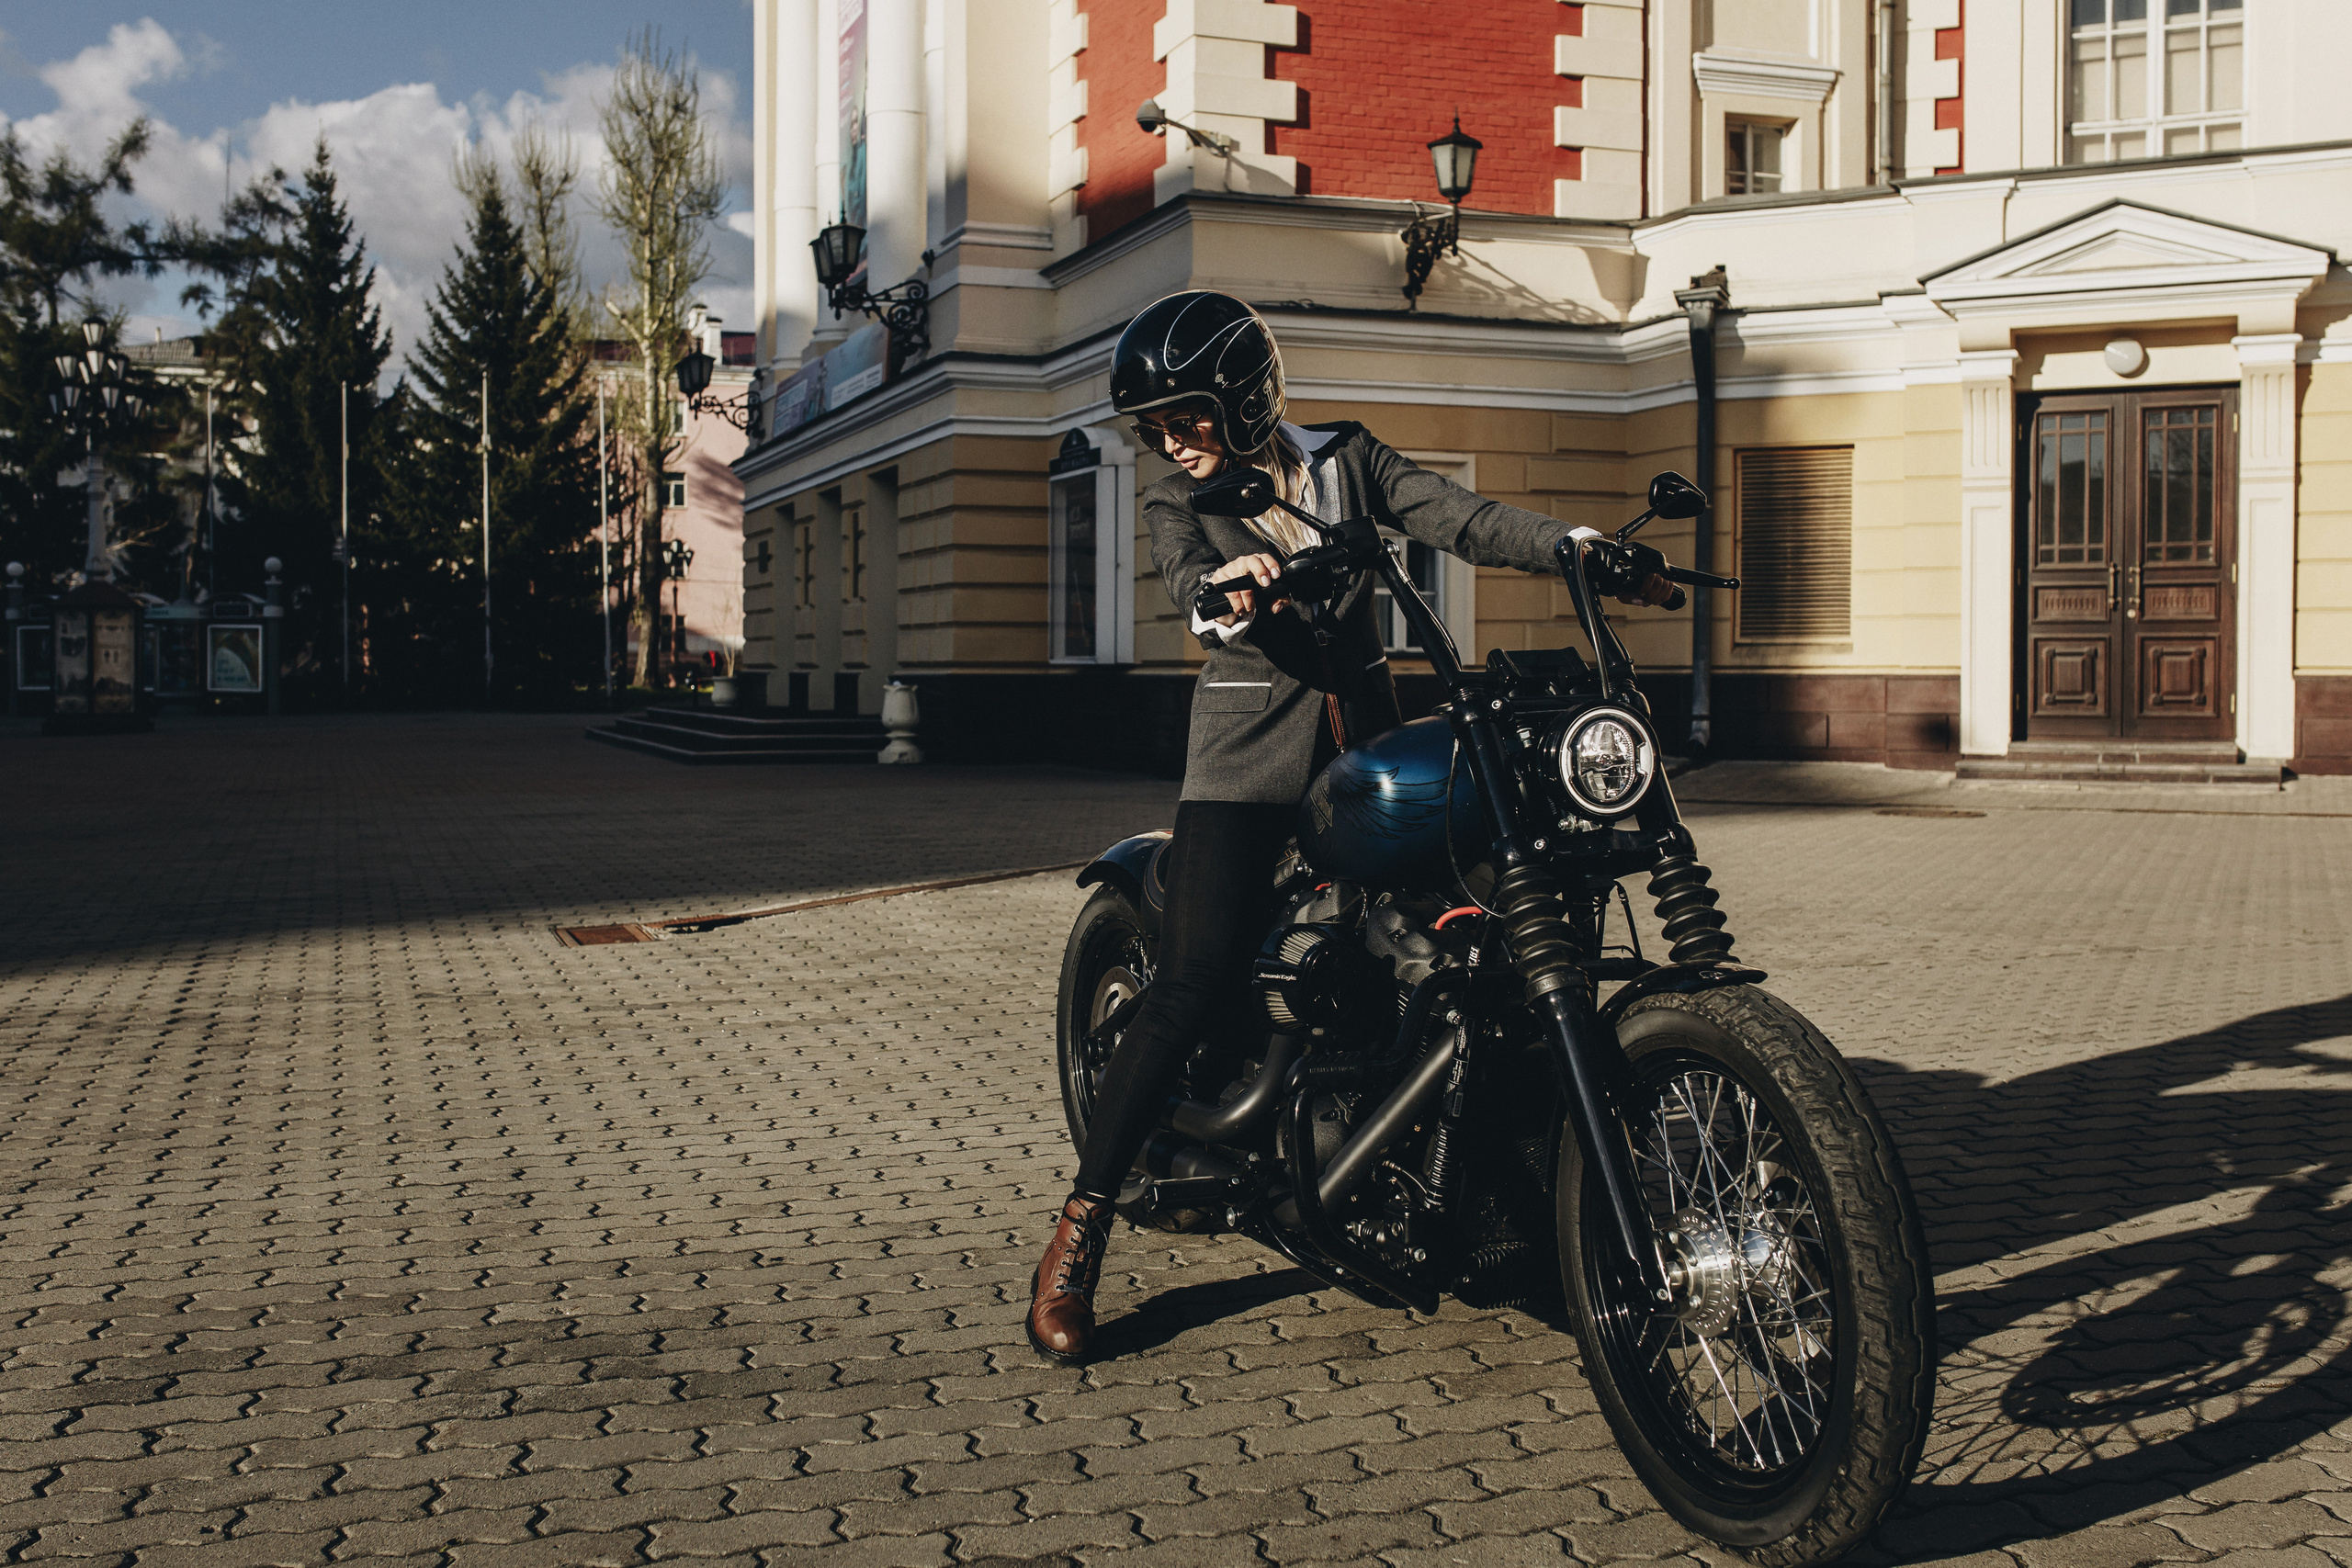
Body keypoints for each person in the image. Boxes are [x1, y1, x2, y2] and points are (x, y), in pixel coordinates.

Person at [1025, 290, 1670, 1365]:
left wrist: (1579, 548)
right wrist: (1229, 589)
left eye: (1187, 418)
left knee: (1466, 944)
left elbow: (1458, 518)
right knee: (1191, 978)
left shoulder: (1347, 460)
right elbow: (1190, 581)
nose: (1173, 444)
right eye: (1156, 429)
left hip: (1367, 748)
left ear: (1242, 399)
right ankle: (1081, 1226)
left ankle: (1481, 1185)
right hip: (1244, 762)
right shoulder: (1177, 504)